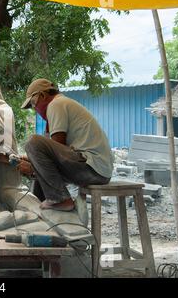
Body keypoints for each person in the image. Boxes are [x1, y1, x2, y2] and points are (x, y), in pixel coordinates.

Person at [18, 78, 113, 211]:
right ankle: (40, 211)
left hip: (92, 168)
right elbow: (53, 157)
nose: (35, 110)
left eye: (33, 104)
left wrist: (33, 168)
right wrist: (32, 161)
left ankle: (60, 199)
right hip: (98, 169)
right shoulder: (60, 106)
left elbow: (55, 154)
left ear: (43, 95)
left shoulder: (56, 104)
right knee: (38, 162)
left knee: (33, 142)